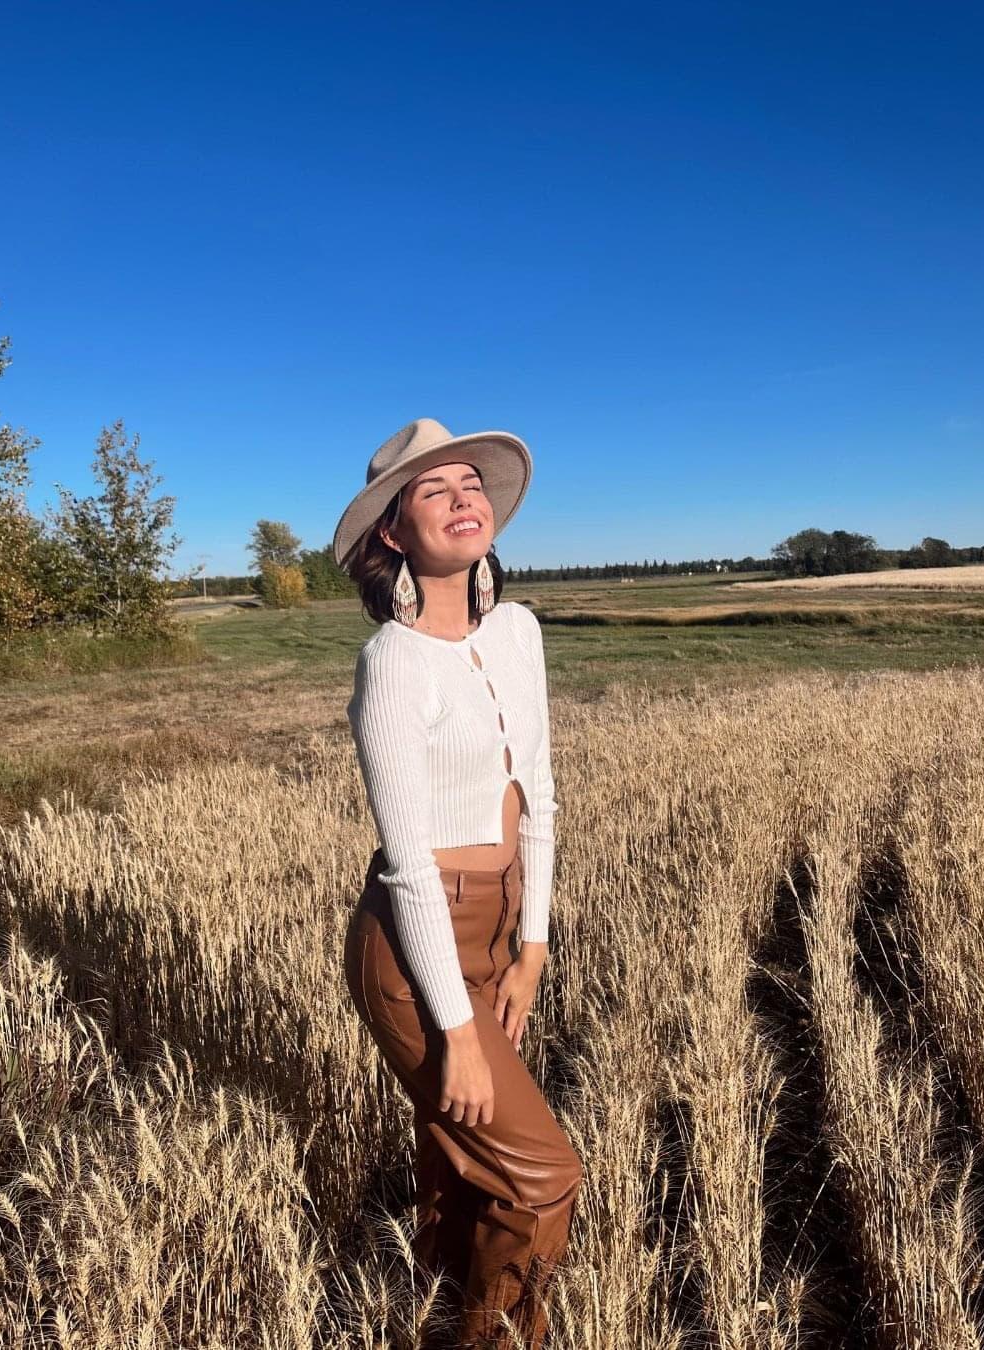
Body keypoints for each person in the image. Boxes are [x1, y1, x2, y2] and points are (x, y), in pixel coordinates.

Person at [332, 418, 583, 1349]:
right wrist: (457, 1034)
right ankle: (496, 1334)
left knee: (455, 1155)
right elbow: (406, 867)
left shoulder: (518, 630)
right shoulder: (392, 667)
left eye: (471, 482)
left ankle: (435, 1306)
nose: (464, 497)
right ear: (394, 533)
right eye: (433, 490)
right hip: (414, 944)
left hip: (500, 925)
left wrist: (533, 947)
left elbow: (542, 793)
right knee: (541, 1174)